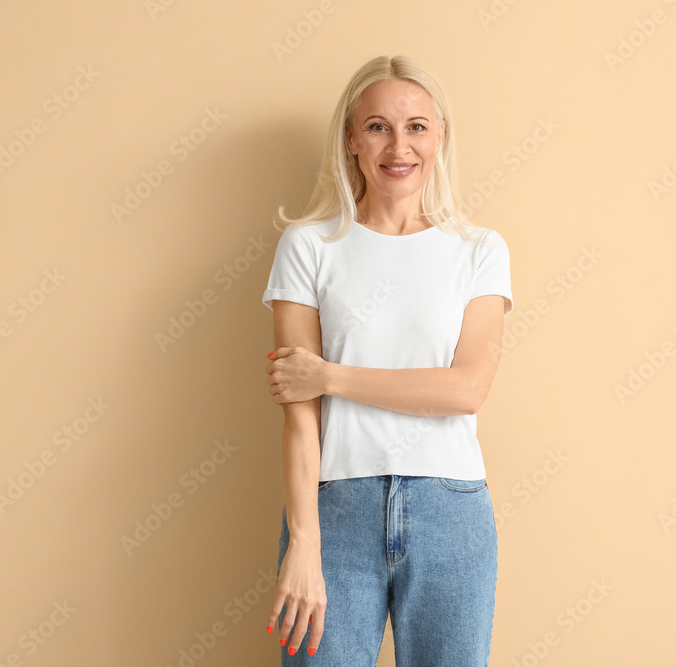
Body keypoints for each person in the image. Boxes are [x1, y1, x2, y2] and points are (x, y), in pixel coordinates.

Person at [260, 54, 513, 666]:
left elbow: (464, 390)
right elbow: (299, 415)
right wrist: (304, 543)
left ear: (440, 136)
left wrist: (330, 376)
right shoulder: (309, 247)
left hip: (450, 511)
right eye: (377, 126)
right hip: (334, 514)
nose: (399, 146)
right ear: (351, 138)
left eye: (417, 127)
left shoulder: (478, 251)